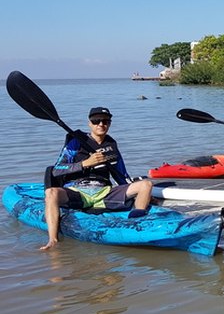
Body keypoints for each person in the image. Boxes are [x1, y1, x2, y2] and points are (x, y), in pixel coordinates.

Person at [41, 107, 153, 250]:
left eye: (105, 121)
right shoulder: (76, 142)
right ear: (90, 123)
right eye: (96, 121)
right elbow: (57, 170)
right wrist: (84, 164)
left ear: (109, 124)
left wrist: (142, 194)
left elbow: (120, 175)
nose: (101, 124)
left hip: (104, 192)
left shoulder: (111, 145)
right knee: (51, 193)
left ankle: (138, 223)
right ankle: (53, 240)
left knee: (146, 185)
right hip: (78, 192)